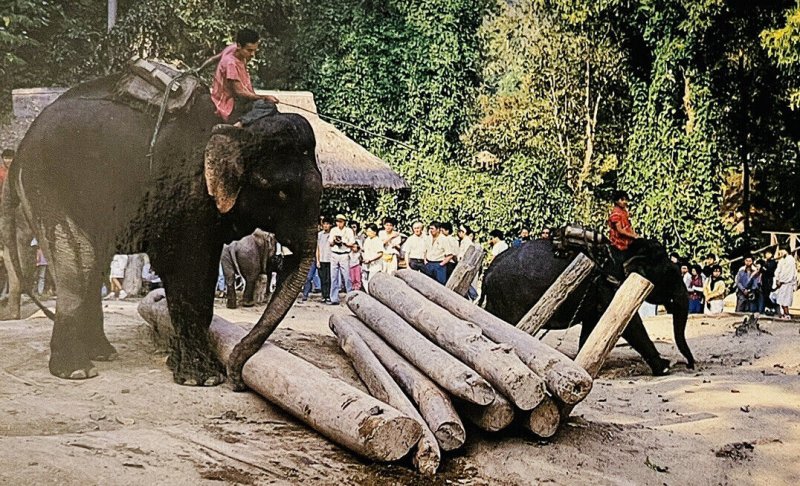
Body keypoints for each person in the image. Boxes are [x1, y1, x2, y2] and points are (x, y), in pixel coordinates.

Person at [209, 29, 279, 125]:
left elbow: (214, 58)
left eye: (254, 50)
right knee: (269, 106)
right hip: (229, 105)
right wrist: (265, 97)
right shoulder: (231, 64)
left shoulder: (233, 49)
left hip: (238, 100)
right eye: (249, 50)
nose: (252, 54)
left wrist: (199, 69)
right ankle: (240, 123)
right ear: (239, 46)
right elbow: (239, 92)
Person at [607, 190, 639, 277]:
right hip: (618, 243)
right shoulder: (616, 213)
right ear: (616, 201)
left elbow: (628, 226)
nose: (625, 202)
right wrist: (633, 236)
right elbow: (620, 230)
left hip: (627, 242)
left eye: (626, 199)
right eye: (622, 199)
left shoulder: (624, 212)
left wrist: (635, 235)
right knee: (620, 263)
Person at [328, 214, 355, 304]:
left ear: (344, 222)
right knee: (333, 277)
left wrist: (343, 242)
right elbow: (330, 243)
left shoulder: (349, 231)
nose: (339, 223)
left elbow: (352, 243)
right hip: (334, 253)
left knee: (347, 276)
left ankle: (350, 297)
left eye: (341, 221)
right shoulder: (333, 230)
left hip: (344, 253)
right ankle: (334, 298)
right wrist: (335, 241)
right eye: (337, 221)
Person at [771, 249, 797, 319]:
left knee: (785, 300)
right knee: (781, 299)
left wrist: (781, 281)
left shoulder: (790, 260)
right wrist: (777, 280)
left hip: (787, 283)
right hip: (781, 282)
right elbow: (778, 271)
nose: (781, 253)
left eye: (782, 251)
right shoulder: (782, 260)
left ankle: (786, 314)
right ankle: (784, 313)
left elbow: (789, 273)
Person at [313, 218, 333, 303]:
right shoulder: (319, 235)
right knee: (322, 278)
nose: (325, 225)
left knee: (329, 279)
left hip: (330, 260)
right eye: (324, 224)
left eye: (327, 224)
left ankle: (328, 295)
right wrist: (317, 260)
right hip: (321, 259)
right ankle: (324, 295)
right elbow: (317, 248)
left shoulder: (333, 234)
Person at [361, 223, 384, 293]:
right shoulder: (367, 240)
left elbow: (380, 253)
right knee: (364, 280)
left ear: (374, 232)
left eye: (370, 232)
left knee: (372, 281)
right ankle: (368, 293)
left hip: (375, 265)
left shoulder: (378, 240)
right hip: (366, 264)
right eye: (367, 232)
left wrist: (370, 259)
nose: (368, 233)